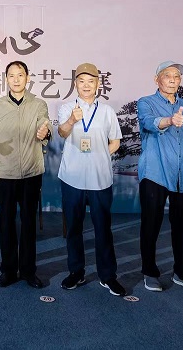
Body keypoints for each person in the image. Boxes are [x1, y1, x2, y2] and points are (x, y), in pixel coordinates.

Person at [56, 63, 125, 296]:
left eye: (91, 81)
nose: (86, 85)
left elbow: (115, 141)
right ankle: (76, 272)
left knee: (103, 229)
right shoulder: (67, 108)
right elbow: (62, 132)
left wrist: (100, 153)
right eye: (82, 81)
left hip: (99, 179)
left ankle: (108, 276)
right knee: (73, 228)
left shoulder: (107, 111)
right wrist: (72, 120)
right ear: (75, 84)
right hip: (72, 177)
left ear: (98, 84)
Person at [137, 61, 183, 293]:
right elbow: (148, 122)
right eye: (168, 75)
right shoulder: (146, 102)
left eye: (177, 76)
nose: (173, 79)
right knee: (151, 224)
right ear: (157, 79)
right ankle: (149, 273)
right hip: (155, 172)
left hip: (182, 173)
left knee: (182, 227)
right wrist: (169, 120)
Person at [0, 60, 51, 289]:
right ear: (6, 79)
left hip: (31, 173)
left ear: (27, 78)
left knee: (29, 223)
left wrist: (45, 132)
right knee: (6, 224)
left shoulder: (39, 104)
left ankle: (28, 271)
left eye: (20, 75)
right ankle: (8, 271)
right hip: (5, 173)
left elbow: (45, 125)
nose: (16, 79)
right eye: (11, 75)